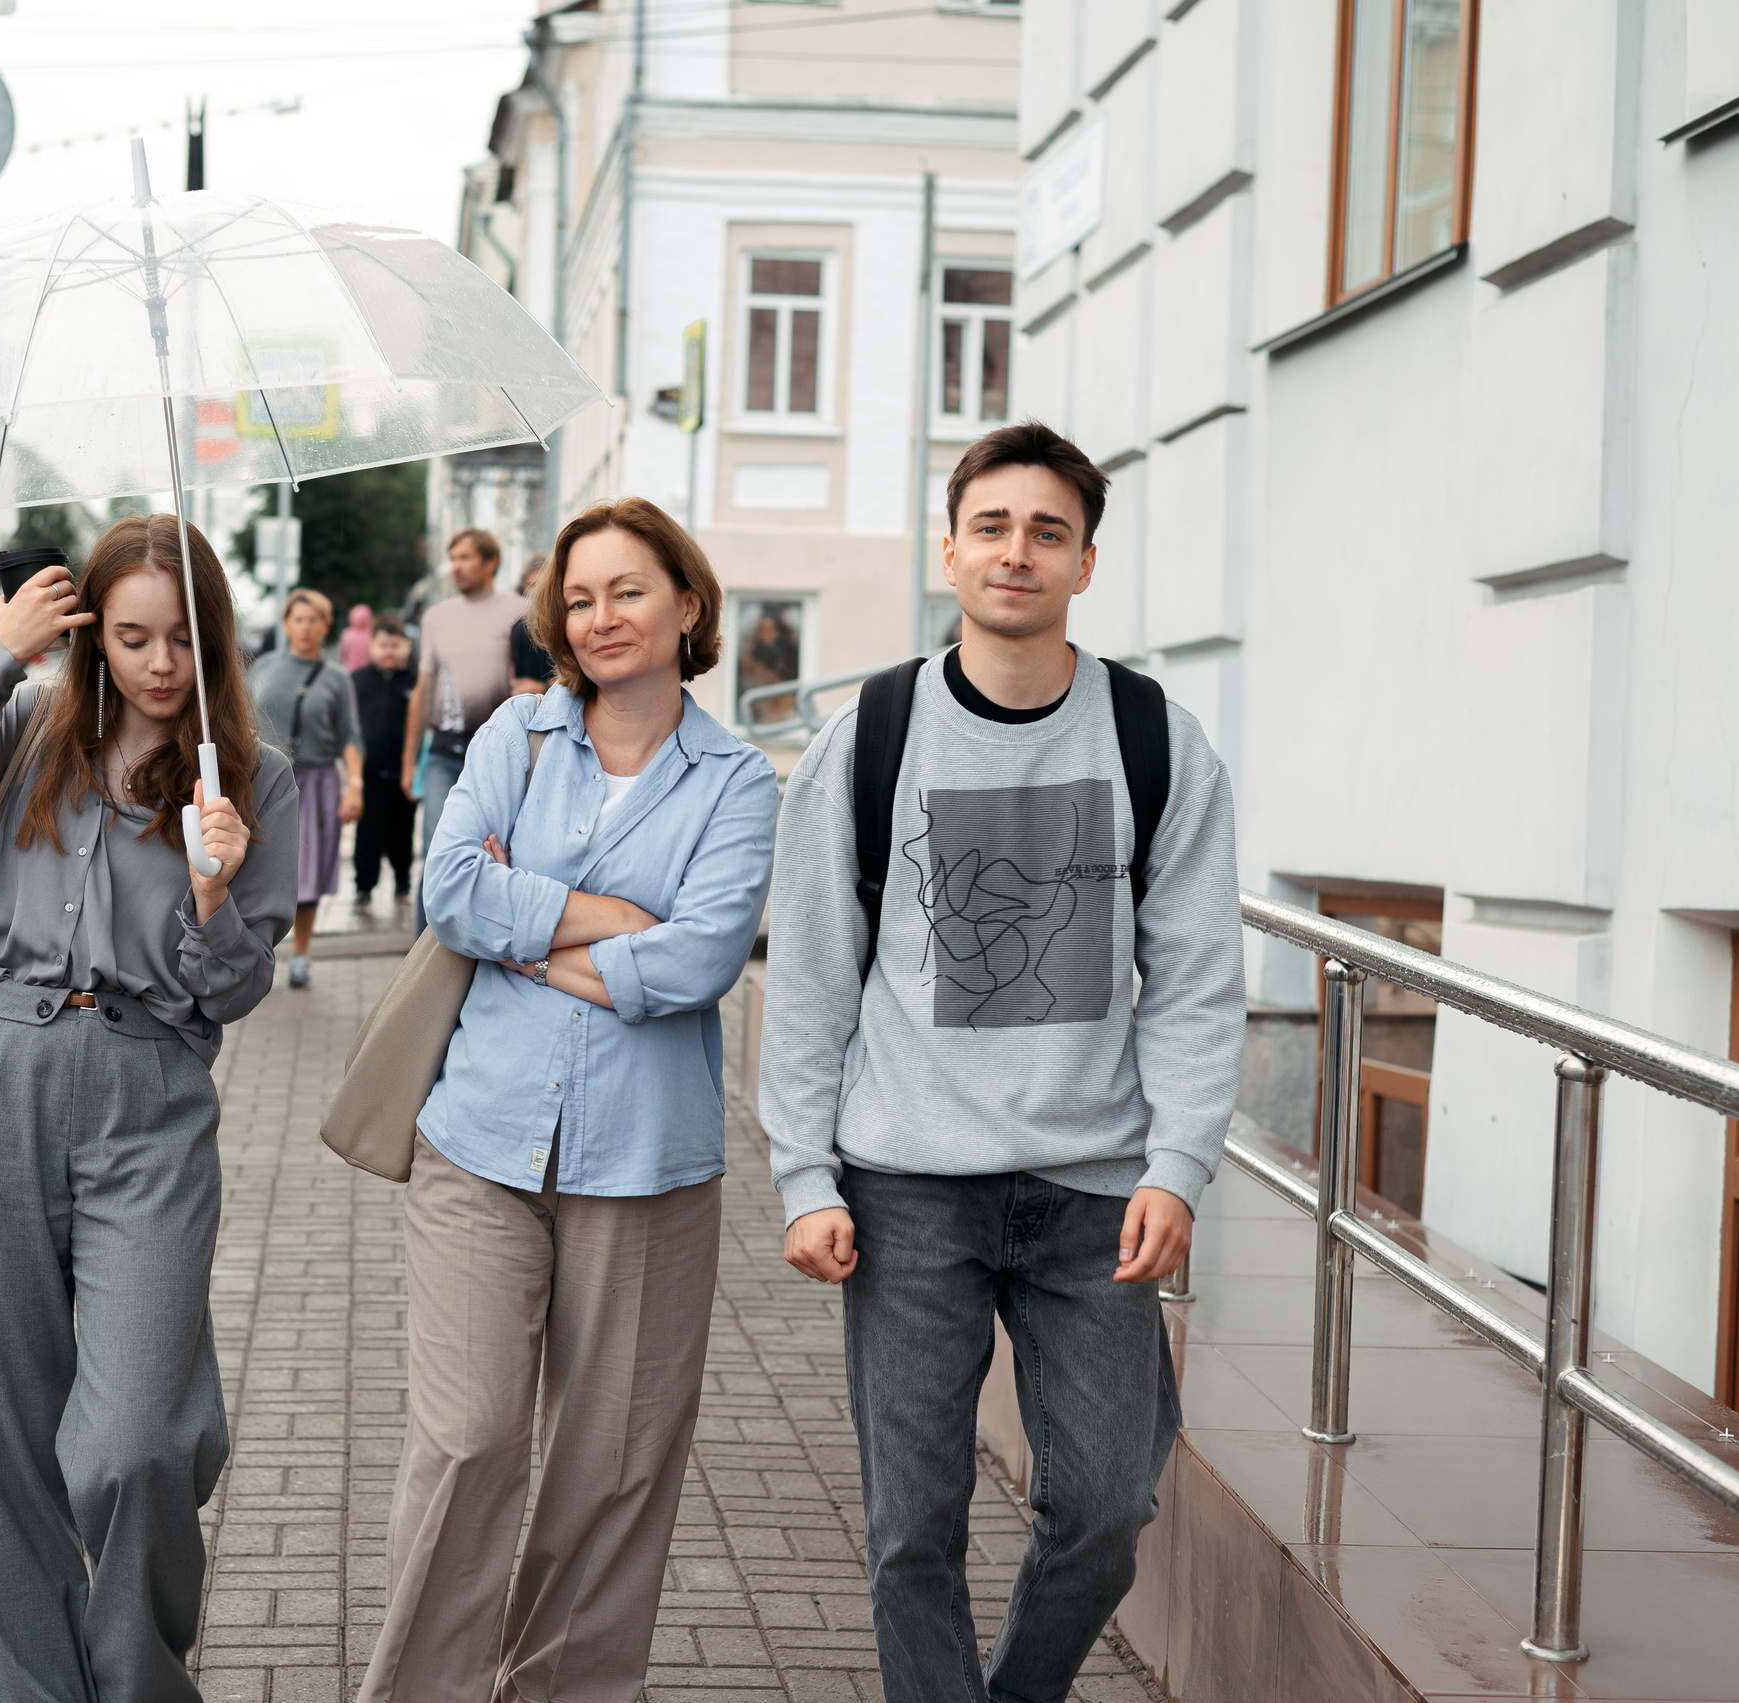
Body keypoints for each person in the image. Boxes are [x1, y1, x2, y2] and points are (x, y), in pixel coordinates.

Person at [760, 422, 1244, 1703]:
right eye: (991, 526)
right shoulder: (869, 734)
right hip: (907, 1188)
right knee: (910, 1526)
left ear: (1085, 561)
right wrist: (803, 1175)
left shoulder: (1155, 738)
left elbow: (1195, 977)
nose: (1015, 553)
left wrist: (1179, 1164)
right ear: (949, 548)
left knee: (1101, 1509)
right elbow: (809, 973)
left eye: (1046, 531)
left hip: (1096, 1192)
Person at [0, 513, 298, 1703]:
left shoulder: (252, 779)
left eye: (180, 639)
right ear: (93, 635)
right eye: (130, 635)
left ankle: (137, 1679)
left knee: (137, 1440)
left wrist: (213, 890)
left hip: (151, 1096)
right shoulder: (25, 730)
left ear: (212, 641)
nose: (158, 664)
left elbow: (243, 985)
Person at [360, 497, 778, 1703]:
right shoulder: (516, 737)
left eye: (629, 590)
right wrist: (608, 924)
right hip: (478, 1141)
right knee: (469, 1435)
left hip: (646, 1166)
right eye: (581, 598)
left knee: (613, 1466)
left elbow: (702, 960)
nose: (601, 617)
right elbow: (448, 892)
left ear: (687, 604)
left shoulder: (737, 778)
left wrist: (527, 930)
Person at [400, 526, 526, 931]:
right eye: (452, 558)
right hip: (443, 753)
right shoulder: (436, 616)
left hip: (501, 752)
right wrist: (408, 762)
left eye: (466, 558)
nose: (456, 566)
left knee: (497, 850)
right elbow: (422, 691)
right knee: (438, 848)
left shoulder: (520, 611)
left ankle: (483, 939)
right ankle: (425, 950)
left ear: (491, 562)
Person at [248, 586, 363, 988]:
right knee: (255, 866)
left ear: (326, 626)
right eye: (298, 619)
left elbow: (350, 736)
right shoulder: (262, 668)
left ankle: (301, 954)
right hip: (263, 779)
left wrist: (355, 787)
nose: (306, 627)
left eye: (314, 619)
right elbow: (240, 721)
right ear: (286, 624)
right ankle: (254, 952)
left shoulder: (336, 677)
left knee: (308, 872)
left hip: (316, 783)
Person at [349, 613, 417, 910]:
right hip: (370, 772)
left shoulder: (416, 680)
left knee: (403, 831)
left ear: (407, 645)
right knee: (368, 831)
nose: (389, 651)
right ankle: (364, 886)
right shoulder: (358, 680)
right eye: (383, 645)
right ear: (372, 646)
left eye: (395, 645)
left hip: (406, 771)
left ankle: (403, 881)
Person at [509, 552, 554, 693]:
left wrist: (543, 688)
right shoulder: (520, 627)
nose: (537, 593)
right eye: (532, 586)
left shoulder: (568, 622)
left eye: (542, 585)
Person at [338, 601, 375, 670]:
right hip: (368, 672)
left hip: (350, 671)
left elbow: (342, 655)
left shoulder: (346, 634)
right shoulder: (373, 635)